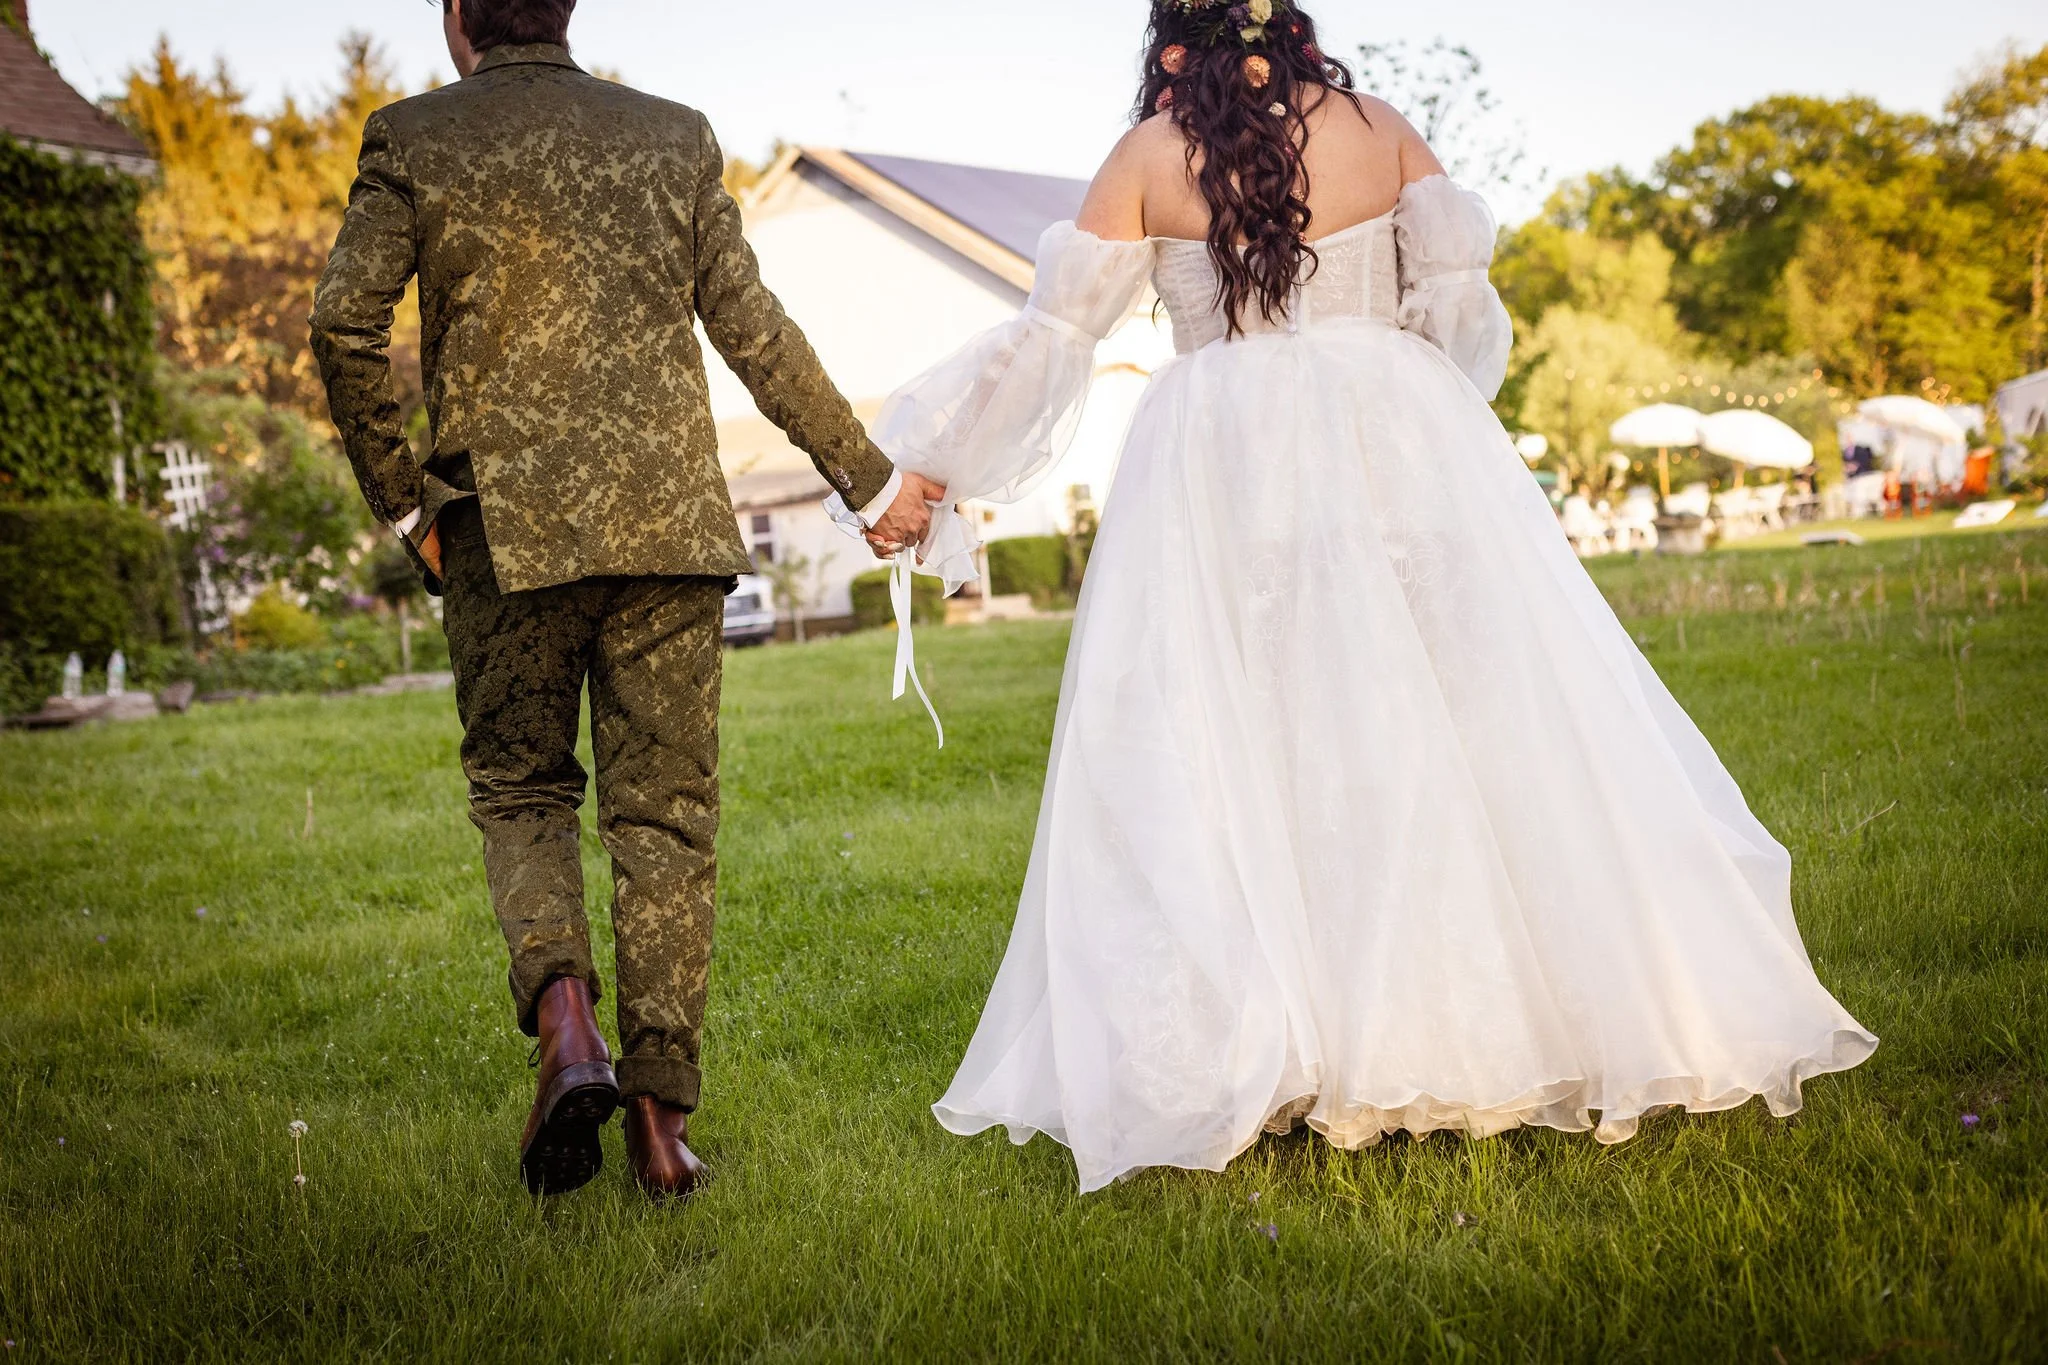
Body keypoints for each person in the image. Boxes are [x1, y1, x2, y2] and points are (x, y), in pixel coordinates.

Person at [848, 0, 1877, 1194]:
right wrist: (1406, 410)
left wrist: (930, 468)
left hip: (1220, 466)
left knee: (1244, 738)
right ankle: (1462, 1017)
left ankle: (1297, 1033)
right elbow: (1459, 328)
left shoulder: (1145, 157)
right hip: (1397, 441)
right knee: (1430, 724)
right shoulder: (1383, 129)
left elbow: (1048, 347)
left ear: (1169, 37)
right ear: (1289, 28)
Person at [310, 0, 939, 1199]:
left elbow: (342, 322)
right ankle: (660, 1128)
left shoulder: (412, 137)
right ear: (568, 9)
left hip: (504, 529)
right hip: (668, 535)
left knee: (525, 791)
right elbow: (754, 331)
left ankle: (568, 1034)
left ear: (458, 20)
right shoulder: (672, 136)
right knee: (666, 822)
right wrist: (866, 480)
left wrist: (405, 507)